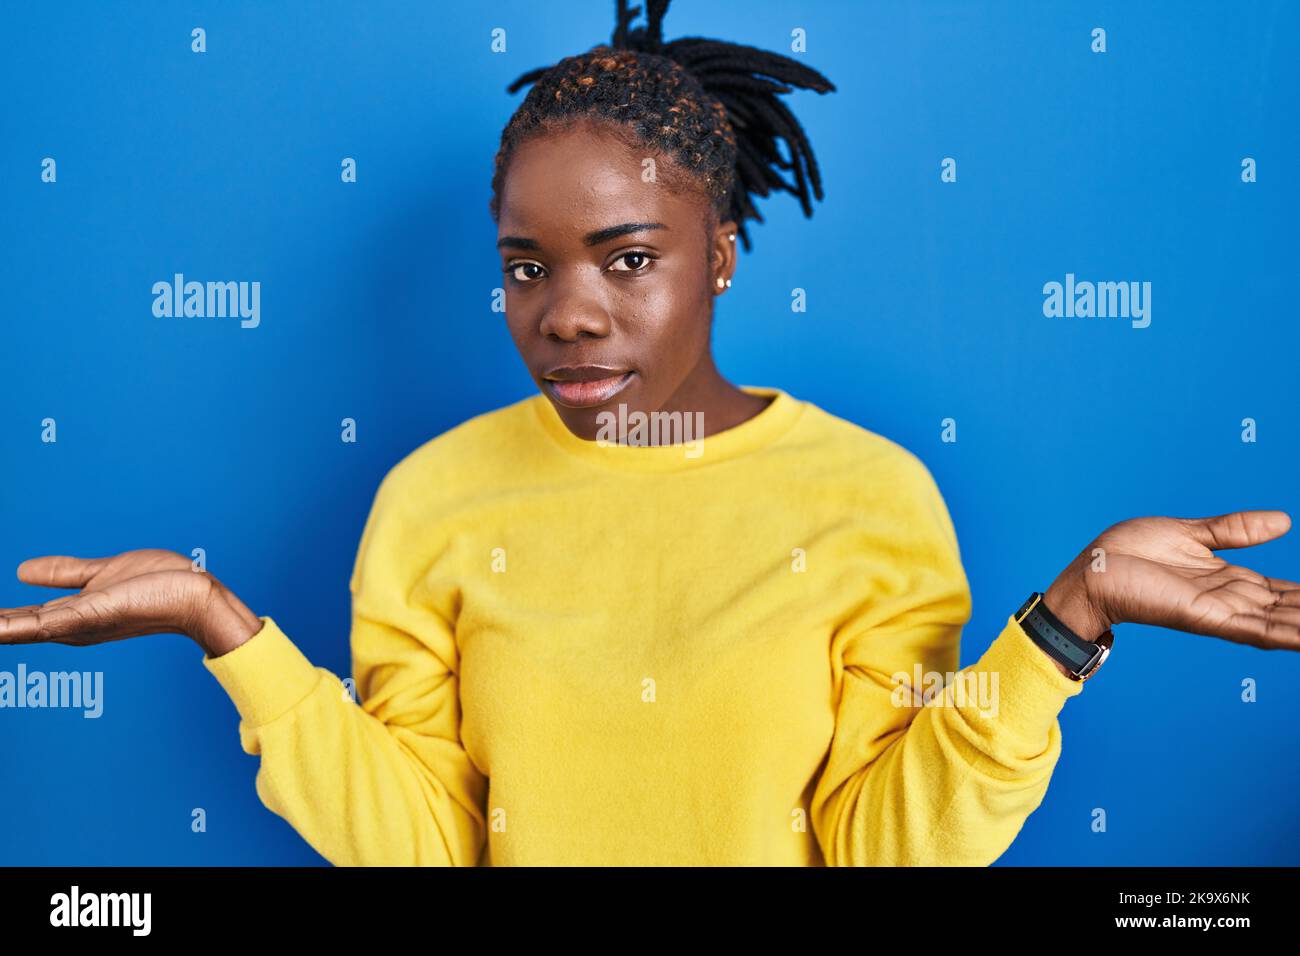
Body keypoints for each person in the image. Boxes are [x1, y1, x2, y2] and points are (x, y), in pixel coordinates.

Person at [3, 0, 1298, 867]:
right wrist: (219, 624)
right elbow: (431, 845)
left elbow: (880, 844)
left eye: (627, 260)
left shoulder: (871, 499)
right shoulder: (432, 502)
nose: (565, 315)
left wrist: (1068, 619)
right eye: (526, 266)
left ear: (720, 254)